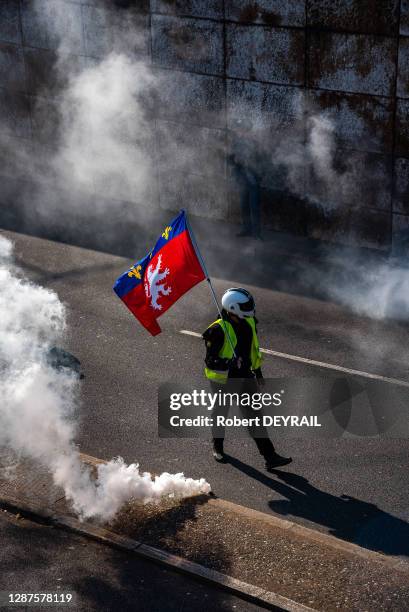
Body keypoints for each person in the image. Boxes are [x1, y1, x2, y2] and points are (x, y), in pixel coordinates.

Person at [202, 288, 292, 470]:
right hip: (224, 380)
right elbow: (210, 361)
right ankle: (217, 447)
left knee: (255, 417)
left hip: (245, 376)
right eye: (245, 306)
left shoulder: (249, 322)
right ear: (232, 308)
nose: (250, 308)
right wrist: (228, 362)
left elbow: (252, 349)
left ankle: (270, 456)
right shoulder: (217, 330)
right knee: (221, 414)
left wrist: (257, 372)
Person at [228, 124, 263, 240]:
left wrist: (257, 174)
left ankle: (256, 233)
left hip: (253, 181)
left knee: (254, 207)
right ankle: (246, 229)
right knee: (244, 206)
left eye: (244, 130)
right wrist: (236, 162)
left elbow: (260, 160)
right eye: (240, 130)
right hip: (243, 181)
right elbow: (229, 159)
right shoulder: (236, 144)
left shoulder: (254, 144)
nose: (242, 133)